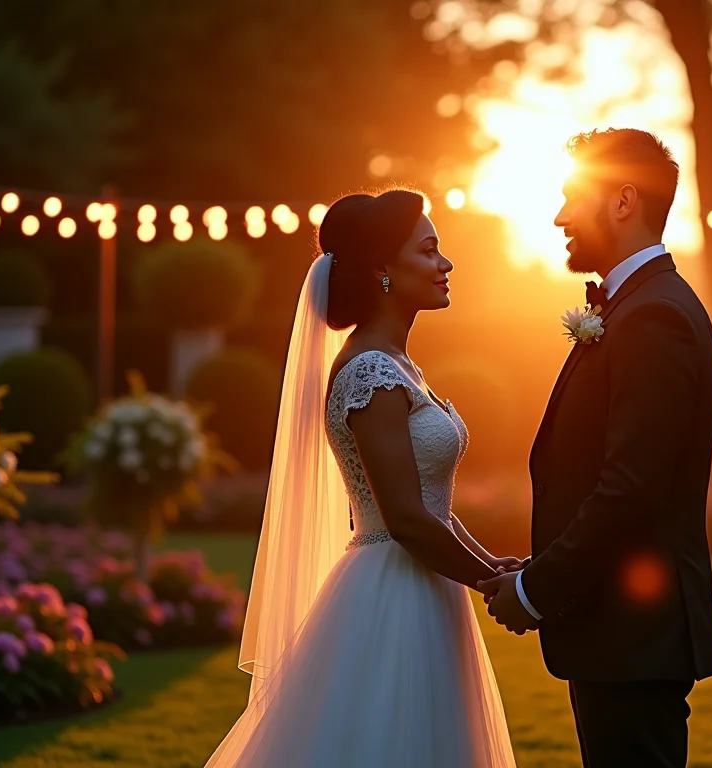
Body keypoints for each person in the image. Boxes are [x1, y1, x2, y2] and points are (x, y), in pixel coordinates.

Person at [205, 188, 518, 768]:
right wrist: (492, 586)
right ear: (383, 270)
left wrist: (495, 564)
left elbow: (433, 506)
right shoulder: (370, 370)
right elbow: (402, 516)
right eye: (428, 251)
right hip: (393, 587)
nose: (446, 265)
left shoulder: (400, 365)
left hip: (428, 580)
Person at [479, 128, 712, 768]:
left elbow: (630, 490)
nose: (559, 215)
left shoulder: (654, 317)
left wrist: (537, 589)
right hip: (617, 631)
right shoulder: (636, 308)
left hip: (633, 633)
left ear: (622, 202)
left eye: (570, 197)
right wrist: (535, 566)